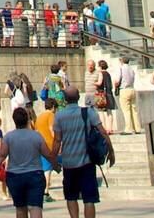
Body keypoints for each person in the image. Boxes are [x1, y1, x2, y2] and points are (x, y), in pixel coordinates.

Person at [0, 108, 58, 217]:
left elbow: (1, 155)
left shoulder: (9, 137)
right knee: (35, 207)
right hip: (35, 174)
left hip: (15, 175)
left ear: (14, 120)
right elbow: (47, 154)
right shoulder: (36, 135)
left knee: (20, 208)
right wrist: (56, 165)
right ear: (27, 119)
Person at [52, 87, 105, 218]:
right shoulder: (88, 112)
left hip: (69, 162)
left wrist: (53, 160)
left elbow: (57, 140)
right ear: (78, 98)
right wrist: (111, 151)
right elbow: (102, 132)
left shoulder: (59, 116)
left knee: (71, 196)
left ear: (65, 99)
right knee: (89, 199)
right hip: (86, 161)